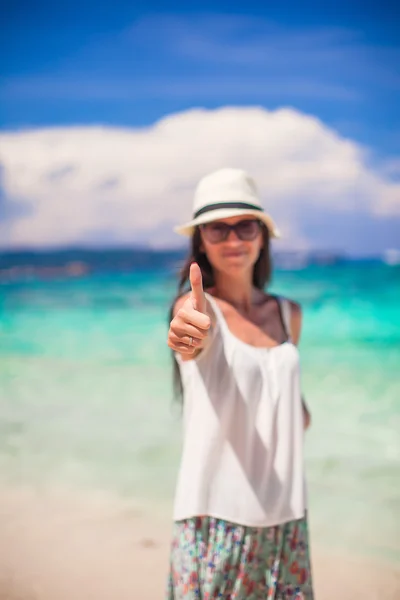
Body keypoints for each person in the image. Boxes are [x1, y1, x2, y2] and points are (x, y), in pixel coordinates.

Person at [166, 168, 313, 599]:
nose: (233, 240)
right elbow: (190, 338)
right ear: (201, 242)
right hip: (215, 516)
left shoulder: (289, 314)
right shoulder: (197, 308)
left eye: (244, 226)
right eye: (217, 229)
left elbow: (293, 407)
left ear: (263, 235)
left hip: (286, 517)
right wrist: (185, 334)